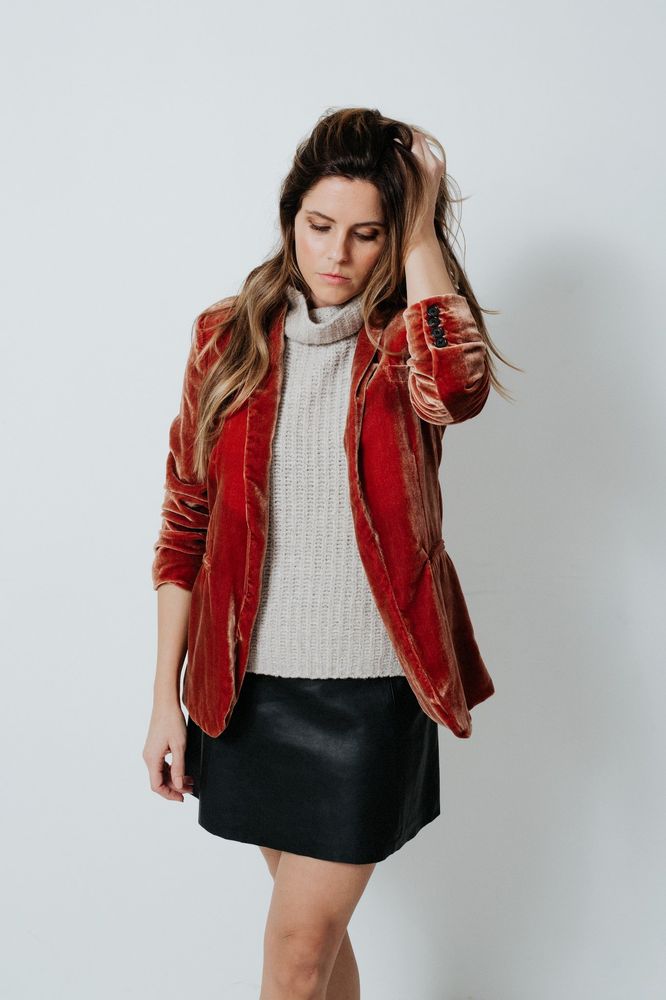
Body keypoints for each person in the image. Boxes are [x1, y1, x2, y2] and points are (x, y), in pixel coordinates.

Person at [143, 106, 512, 1000]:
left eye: (366, 234)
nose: (336, 254)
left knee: (296, 955)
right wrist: (164, 699)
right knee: (317, 948)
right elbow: (186, 521)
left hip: (370, 696)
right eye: (319, 226)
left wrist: (419, 229)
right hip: (245, 692)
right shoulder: (224, 336)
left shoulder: (408, 341)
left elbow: (457, 393)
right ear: (289, 217)